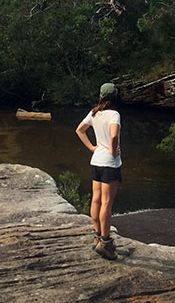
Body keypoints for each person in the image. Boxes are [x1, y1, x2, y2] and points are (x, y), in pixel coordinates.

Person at [75, 82, 122, 260]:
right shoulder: (114, 115)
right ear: (115, 97)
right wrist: (113, 150)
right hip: (110, 163)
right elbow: (114, 135)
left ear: (101, 96)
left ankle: (96, 237)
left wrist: (93, 148)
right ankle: (106, 242)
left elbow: (79, 130)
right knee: (107, 203)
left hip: (96, 161)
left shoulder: (94, 113)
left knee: (96, 199)